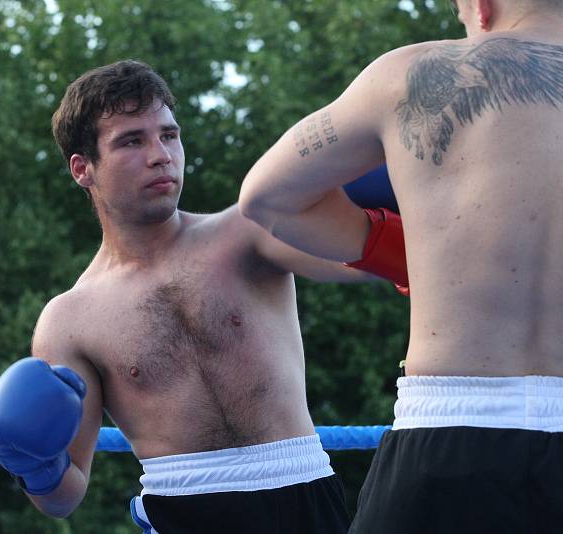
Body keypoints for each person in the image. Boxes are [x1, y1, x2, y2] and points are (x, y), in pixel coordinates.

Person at [0, 60, 406, 534]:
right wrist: (36, 468)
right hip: (182, 511)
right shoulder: (69, 320)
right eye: (132, 140)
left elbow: (376, 263)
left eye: (169, 134)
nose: (160, 154)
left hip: (302, 498)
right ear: (83, 168)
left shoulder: (249, 231)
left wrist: (401, 224)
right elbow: (64, 498)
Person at [238, 1, 563, 532]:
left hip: (446, 441)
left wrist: (404, 253)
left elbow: (266, 199)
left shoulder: (410, 76)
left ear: (481, 6)